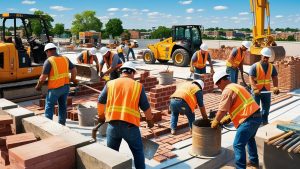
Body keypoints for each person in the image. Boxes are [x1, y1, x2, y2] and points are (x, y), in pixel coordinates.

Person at [97, 62, 154, 169]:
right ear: (132, 72)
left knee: (112, 155)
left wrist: (101, 116)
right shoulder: (138, 86)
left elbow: (100, 101)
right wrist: (149, 120)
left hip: (112, 125)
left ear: (122, 72)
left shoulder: (110, 83)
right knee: (138, 152)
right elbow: (145, 107)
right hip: (130, 127)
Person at [211, 70, 261, 169]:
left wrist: (216, 121)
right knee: (250, 139)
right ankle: (254, 163)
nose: (218, 87)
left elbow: (222, 109)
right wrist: (229, 118)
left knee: (237, 145)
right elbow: (242, 104)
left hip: (248, 120)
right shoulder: (236, 86)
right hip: (256, 117)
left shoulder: (227, 90)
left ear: (221, 81)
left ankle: (240, 167)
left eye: (217, 84)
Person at [35, 43, 77, 125]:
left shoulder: (49, 61)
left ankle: (50, 126)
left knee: (49, 106)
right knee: (62, 106)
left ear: (48, 51)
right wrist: (73, 79)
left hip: (55, 88)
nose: (46, 55)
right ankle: (62, 124)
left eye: (46, 53)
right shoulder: (65, 58)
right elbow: (74, 70)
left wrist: (38, 86)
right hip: (65, 87)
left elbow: (43, 77)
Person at [249, 47, 279, 125]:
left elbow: (275, 77)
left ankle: (265, 122)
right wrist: (255, 88)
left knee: (266, 108)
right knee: (255, 109)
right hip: (257, 91)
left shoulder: (271, 67)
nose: (266, 59)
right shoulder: (255, 66)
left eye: (267, 58)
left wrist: (275, 87)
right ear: (261, 56)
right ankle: (255, 124)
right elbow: (251, 78)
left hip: (266, 90)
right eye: (265, 57)